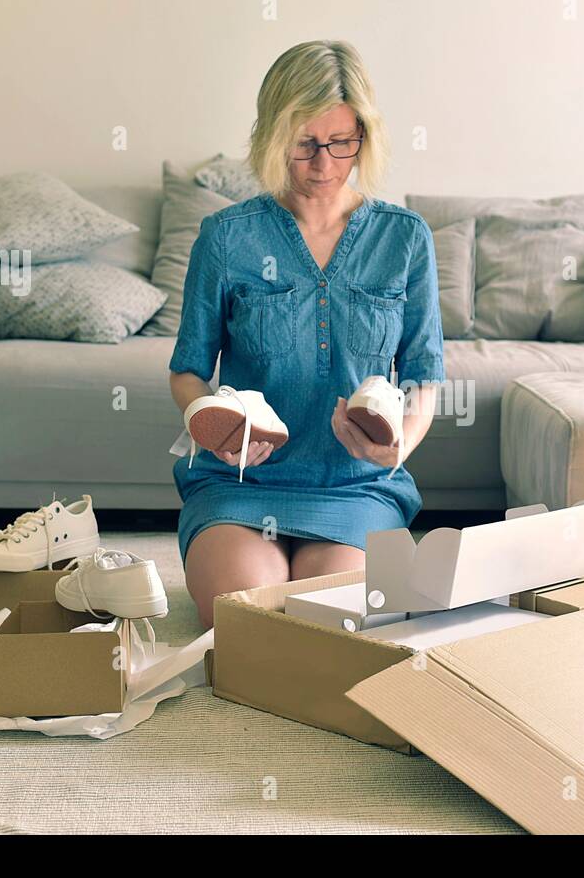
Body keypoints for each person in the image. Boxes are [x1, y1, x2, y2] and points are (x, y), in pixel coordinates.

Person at [168, 40, 445, 628]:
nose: (324, 164)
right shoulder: (225, 237)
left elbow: (424, 378)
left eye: (342, 143)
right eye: (305, 145)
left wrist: (400, 446)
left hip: (356, 488)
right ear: (273, 137)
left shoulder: (406, 238)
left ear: (364, 136)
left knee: (332, 621)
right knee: (248, 616)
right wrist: (214, 426)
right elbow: (188, 371)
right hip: (239, 485)